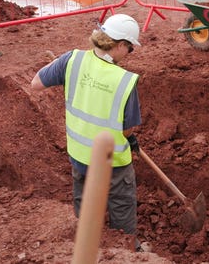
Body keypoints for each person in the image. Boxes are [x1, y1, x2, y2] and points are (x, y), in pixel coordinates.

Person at [31, 13, 144, 251]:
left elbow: (36, 84)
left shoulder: (72, 60)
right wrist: (130, 137)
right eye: (130, 48)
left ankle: (87, 245)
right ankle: (127, 252)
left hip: (80, 156)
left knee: (84, 204)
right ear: (121, 45)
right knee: (121, 207)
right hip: (113, 162)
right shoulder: (124, 80)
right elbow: (127, 129)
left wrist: (60, 65)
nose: (129, 54)